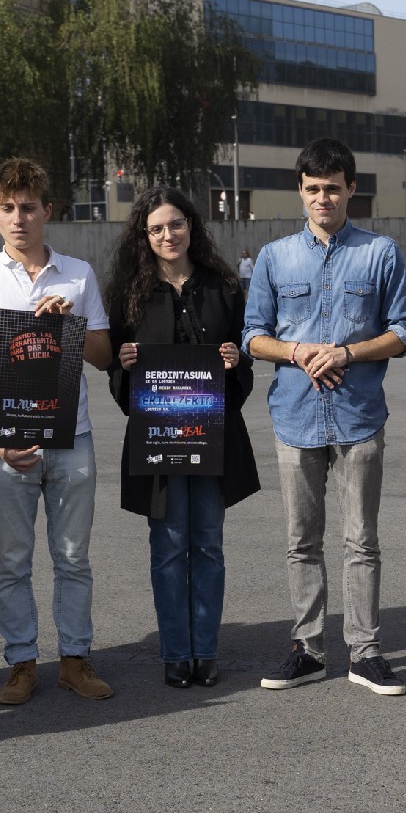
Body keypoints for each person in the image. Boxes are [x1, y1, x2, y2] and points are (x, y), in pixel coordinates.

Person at [242, 138, 406, 695]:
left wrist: (346, 353)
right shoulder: (274, 257)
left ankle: (365, 653)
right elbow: (252, 336)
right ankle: (308, 648)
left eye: (334, 188)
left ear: (351, 190)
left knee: (361, 540)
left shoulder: (381, 253)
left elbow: (405, 331)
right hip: (294, 416)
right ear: (301, 191)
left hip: (359, 414)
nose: (324, 198)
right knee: (302, 538)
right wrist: (297, 352)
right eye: (314, 189)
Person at [0, 158, 115, 705]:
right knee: (11, 561)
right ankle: (21, 662)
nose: (19, 218)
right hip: (7, 442)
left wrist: (66, 323)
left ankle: (75, 658)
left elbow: (102, 357)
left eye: (29, 207)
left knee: (73, 557)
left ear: (48, 210)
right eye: (8, 208)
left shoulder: (79, 274)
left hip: (74, 436)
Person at [105, 187, 261, 688]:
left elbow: (245, 365)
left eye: (175, 224)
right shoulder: (130, 293)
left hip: (213, 438)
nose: (167, 235)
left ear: (192, 226)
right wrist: (124, 366)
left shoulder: (224, 287)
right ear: (144, 236)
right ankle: (176, 651)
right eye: (156, 229)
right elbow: (119, 379)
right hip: (159, 442)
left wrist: (238, 361)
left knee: (209, 544)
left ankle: (206, 650)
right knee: (169, 545)